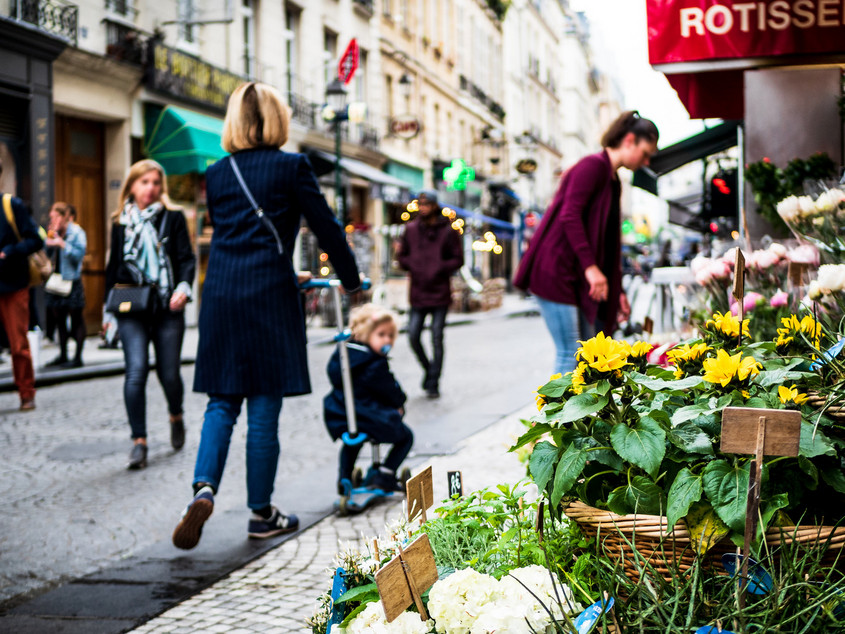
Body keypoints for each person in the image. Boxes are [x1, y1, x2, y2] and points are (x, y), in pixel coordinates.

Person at [172, 81, 360, 550]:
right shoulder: (291, 167)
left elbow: (235, 236)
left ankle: (203, 488)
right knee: (263, 412)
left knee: (222, 402)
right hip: (270, 298)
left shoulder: (216, 174)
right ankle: (261, 514)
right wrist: (352, 280)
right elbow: (326, 228)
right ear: (277, 120)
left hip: (220, 294)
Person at [514, 110, 659, 374]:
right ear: (629, 140)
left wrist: (618, 291)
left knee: (587, 358)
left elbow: (608, 245)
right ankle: (553, 416)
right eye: (646, 152)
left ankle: (573, 415)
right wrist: (591, 269)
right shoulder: (592, 167)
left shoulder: (612, 179)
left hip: (572, 275)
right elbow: (570, 216)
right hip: (555, 272)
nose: (646, 161)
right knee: (572, 353)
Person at [105, 159, 196, 469]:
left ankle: (176, 415)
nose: (151, 188)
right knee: (136, 371)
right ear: (132, 186)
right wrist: (108, 311)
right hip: (132, 307)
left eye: (156, 183)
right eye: (144, 182)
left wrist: (182, 288)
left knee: (169, 373)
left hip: (168, 306)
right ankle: (139, 442)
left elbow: (186, 258)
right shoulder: (120, 222)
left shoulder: (173, 218)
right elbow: (112, 268)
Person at [324, 304, 412, 494]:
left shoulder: (343, 354)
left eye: (390, 336)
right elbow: (388, 389)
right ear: (365, 334)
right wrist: (399, 403)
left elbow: (333, 376)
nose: (387, 340)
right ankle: (385, 474)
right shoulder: (374, 363)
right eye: (381, 335)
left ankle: (344, 477)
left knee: (352, 439)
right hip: (369, 414)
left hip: (341, 412)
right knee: (406, 437)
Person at [395, 191, 463, 398]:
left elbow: (458, 259)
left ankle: (433, 382)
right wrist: (413, 266)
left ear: (435, 205)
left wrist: (439, 267)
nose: (423, 207)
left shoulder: (448, 231)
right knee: (413, 335)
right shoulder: (410, 229)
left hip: (440, 291)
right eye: (420, 203)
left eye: (426, 204)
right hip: (418, 291)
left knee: (436, 336)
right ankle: (429, 371)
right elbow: (401, 256)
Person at [0, 159, 44, 410]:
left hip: (13, 285)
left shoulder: (11, 205)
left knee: (18, 344)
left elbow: (36, 240)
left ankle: (26, 393)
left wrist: (10, 251)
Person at [44, 202, 87, 368]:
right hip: (56, 281)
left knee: (76, 319)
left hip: (71, 281)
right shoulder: (53, 232)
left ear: (63, 217)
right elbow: (46, 254)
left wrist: (62, 244)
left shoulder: (76, 232)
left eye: (55, 217)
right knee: (59, 318)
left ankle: (77, 357)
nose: (53, 220)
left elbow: (79, 255)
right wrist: (50, 242)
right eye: (51, 217)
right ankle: (63, 354)